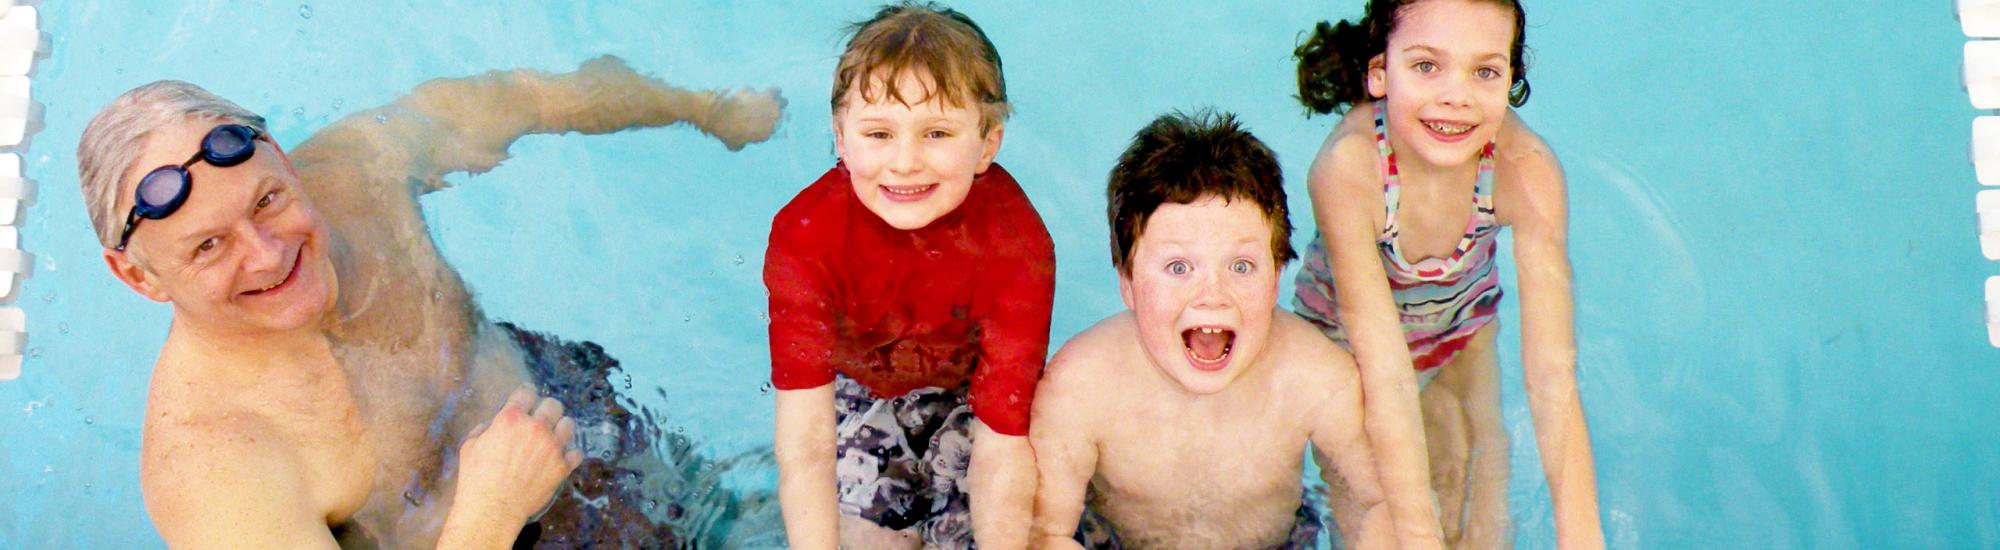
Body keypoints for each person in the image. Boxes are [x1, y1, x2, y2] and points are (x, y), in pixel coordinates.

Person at [77, 56, 785, 547]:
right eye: (209, 247)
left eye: (269, 200)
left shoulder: (359, 174)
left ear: (287, 163)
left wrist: (704, 109)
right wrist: (489, 514)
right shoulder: (212, 463)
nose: (268, 253)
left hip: (595, 422)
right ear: (138, 279)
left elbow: (531, 98)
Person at [1291, 1, 1603, 546]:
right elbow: (1384, 373)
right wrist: (1418, 534)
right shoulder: (1350, 169)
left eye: (1484, 71)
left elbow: (1552, 375)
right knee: (1380, 527)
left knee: (1484, 525)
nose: (1455, 96)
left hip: (1462, 339)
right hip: (1350, 360)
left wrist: (1583, 537)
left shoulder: (1525, 172)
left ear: (1511, 80)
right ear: (1380, 73)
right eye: (1427, 66)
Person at [1027, 110, 1393, 550]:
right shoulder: (1080, 386)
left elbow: (1376, 500)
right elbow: (1044, 532)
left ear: (1277, 275)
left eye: (1241, 266)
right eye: (1178, 268)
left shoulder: (1318, 379)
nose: (1212, 295)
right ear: (1126, 282)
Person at [763, 3, 1054, 548]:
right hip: (857, 394)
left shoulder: (1017, 246)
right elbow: (806, 440)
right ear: (841, 139)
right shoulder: (804, 238)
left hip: (970, 398)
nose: (904, 162)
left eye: (937, 133)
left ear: (988, 142)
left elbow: (1003, 440)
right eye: (878, 134)